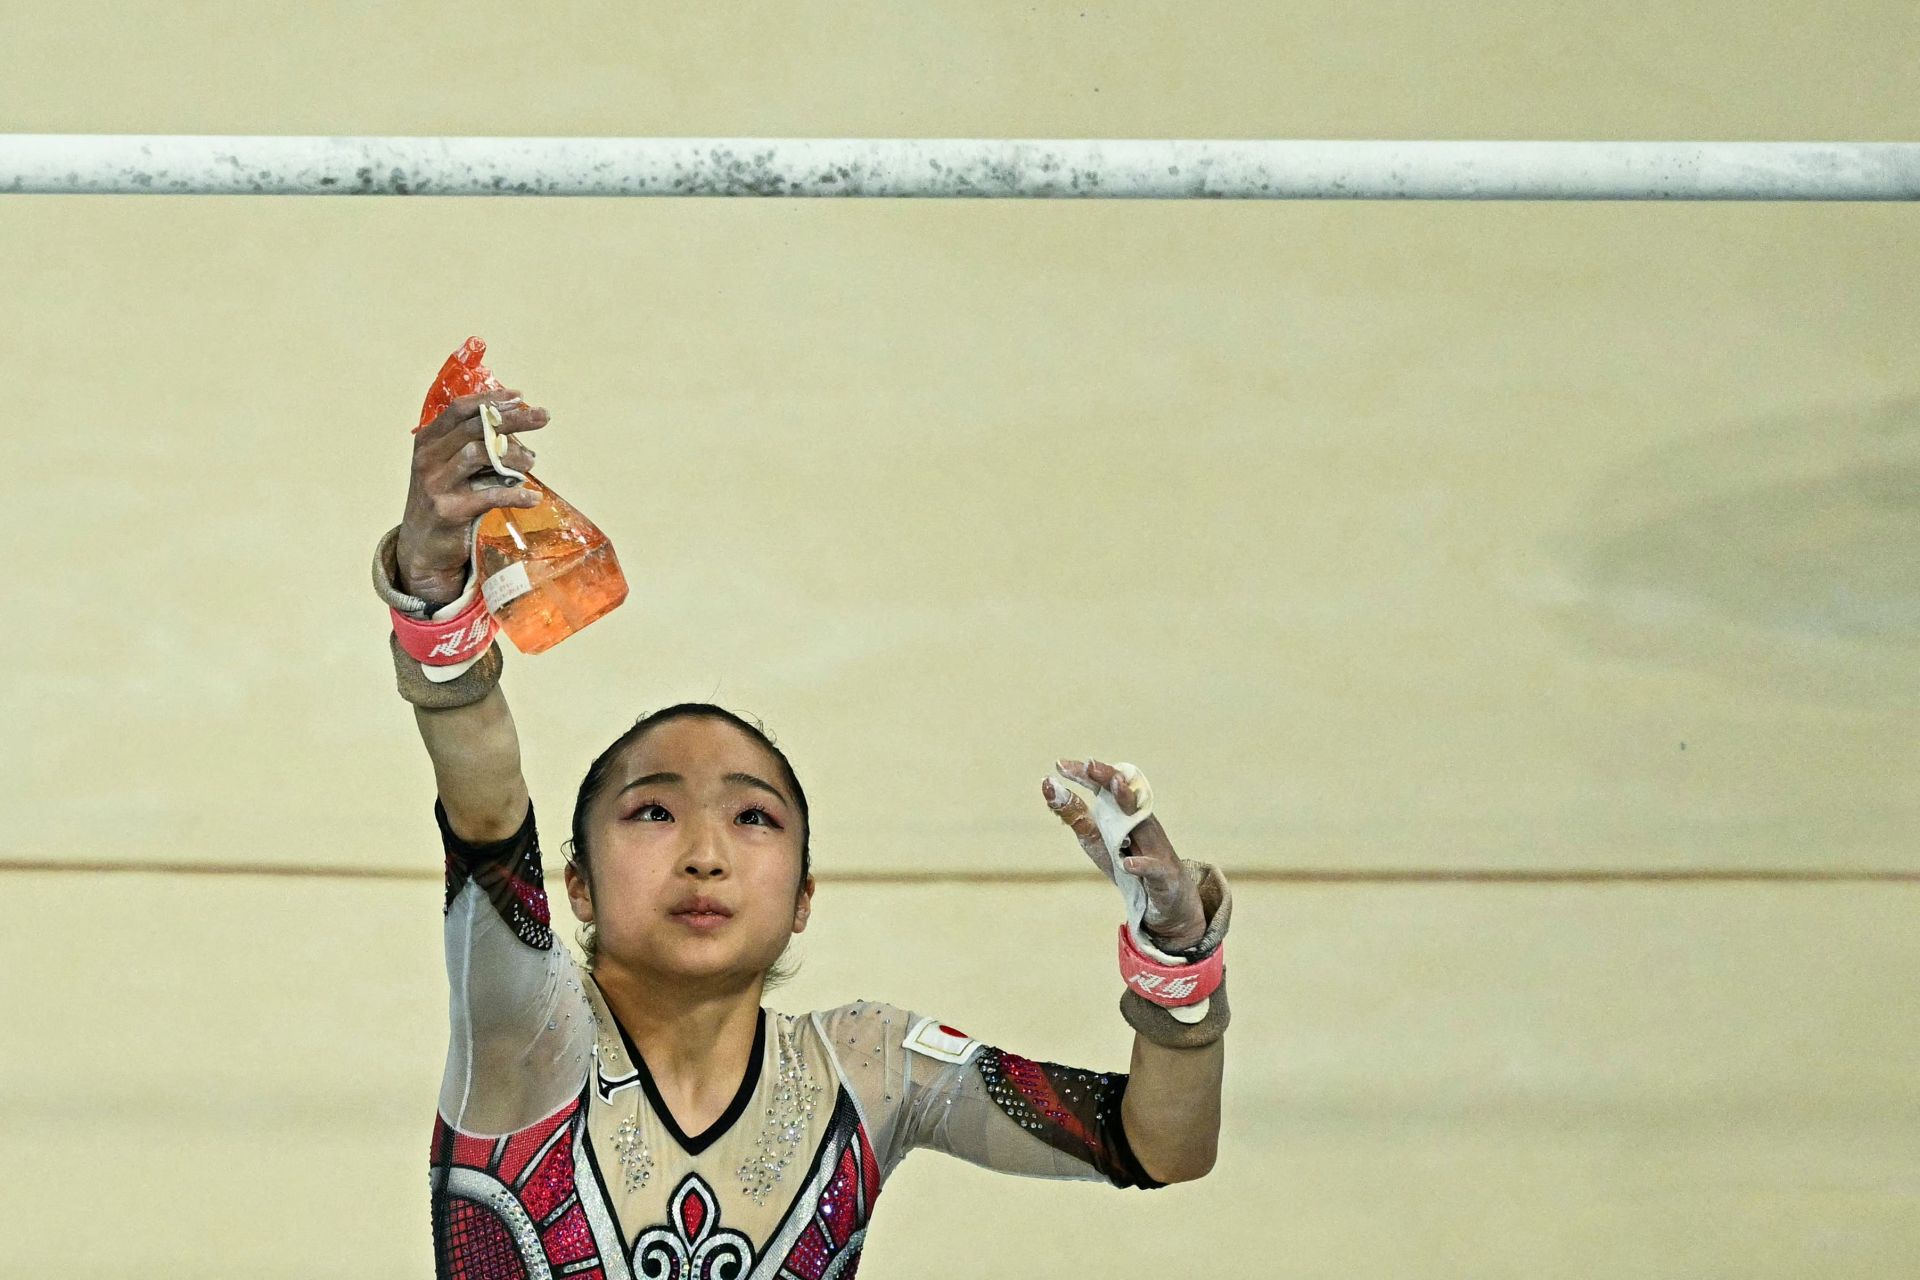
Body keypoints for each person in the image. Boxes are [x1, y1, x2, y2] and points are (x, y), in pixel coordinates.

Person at [372, 386, 1233, 1277]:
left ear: (804, 898)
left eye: (752, 818)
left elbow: (1159, 1146)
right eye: (654, 812)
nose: (705, 856)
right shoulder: (530, 1028)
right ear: (577, 884)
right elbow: (485, 806)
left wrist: (1176, 960)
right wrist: (436, 596)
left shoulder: (865, 1071)